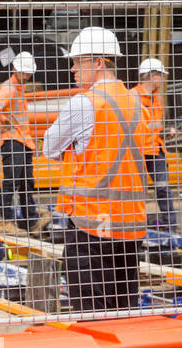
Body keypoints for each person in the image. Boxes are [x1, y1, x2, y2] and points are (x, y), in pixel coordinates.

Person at [42, 27, 147, 312]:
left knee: (92, 314)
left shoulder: (84, 103)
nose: (73, 69)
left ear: (99, 62)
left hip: (91, 224)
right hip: (129, 225)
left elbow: (49, 148)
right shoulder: (136, 101)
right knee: (123, 310)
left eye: (78, 61)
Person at [0, 51, 38, 228]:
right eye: (23, 72)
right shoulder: (9, 88)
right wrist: (3, 119)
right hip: (12, 141)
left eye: (28, 73)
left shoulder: (19, 88)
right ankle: (6, 220)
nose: (26, 76)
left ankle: (30, 219)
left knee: (26, 183)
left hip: (22, 141)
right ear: (15, 69)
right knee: (11, 182)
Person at [134, 58, 176, 231]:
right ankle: (135, 225)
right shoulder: (132, 96)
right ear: (152, 76)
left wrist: (165, 132)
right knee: (136, 191)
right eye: (161, 76)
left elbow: (153, 125)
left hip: (155, 148)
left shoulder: (156, 98)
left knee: (163, 188)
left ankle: (170, 225)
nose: (163, 80)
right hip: (138, 151)